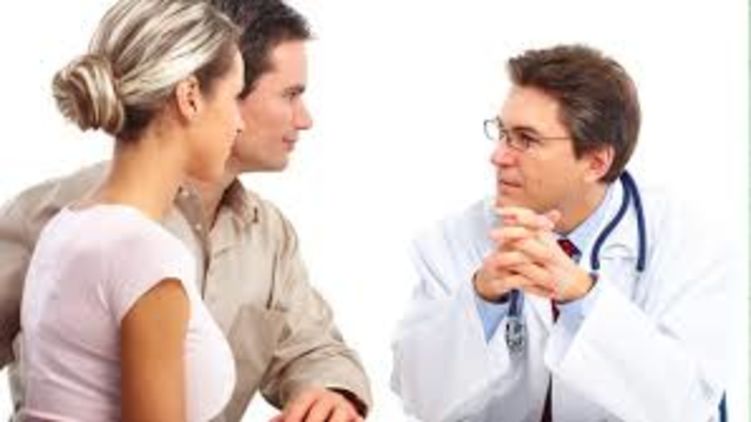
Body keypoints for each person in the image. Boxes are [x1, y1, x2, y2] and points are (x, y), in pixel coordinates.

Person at [0, 0, 371, 421]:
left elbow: (312, 344)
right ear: (192, 95)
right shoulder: (69, 218)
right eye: (290, 95)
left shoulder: (269, 235)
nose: (305, 120)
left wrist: (332, 394)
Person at [391, 44, 733, 421]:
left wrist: (582, 296)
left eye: (526, 139)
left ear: (596, 162)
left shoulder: (685, 243)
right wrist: (481, 298)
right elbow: (417, 397)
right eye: (502, 133)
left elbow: (688, 406)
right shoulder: (454, 240)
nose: (498, 156)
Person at [17, 0, 244, 419]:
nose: (239, 123)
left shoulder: (67, 226)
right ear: (190, 97)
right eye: (235, 97)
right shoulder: (144, 254)